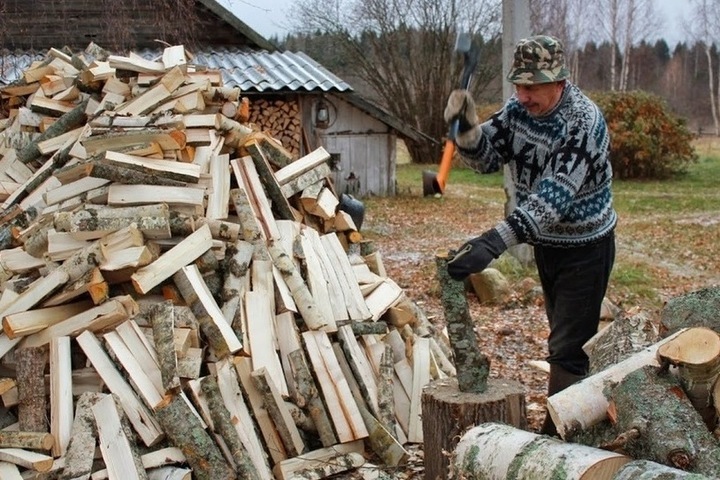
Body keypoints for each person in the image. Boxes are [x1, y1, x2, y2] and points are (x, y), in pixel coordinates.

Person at [443, 35, 617, 436]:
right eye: (517, 85)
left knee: (569, 349)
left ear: (558, 81)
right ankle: (580, 418)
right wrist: (466, 129)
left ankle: (559, 438)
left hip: (587, 246)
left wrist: (492, 243)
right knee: (564, 336)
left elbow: (551, 199)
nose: (521, 95)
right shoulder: (517, 111)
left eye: (531, 87)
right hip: (549, 246)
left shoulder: (583, 123)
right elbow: (486, 158)